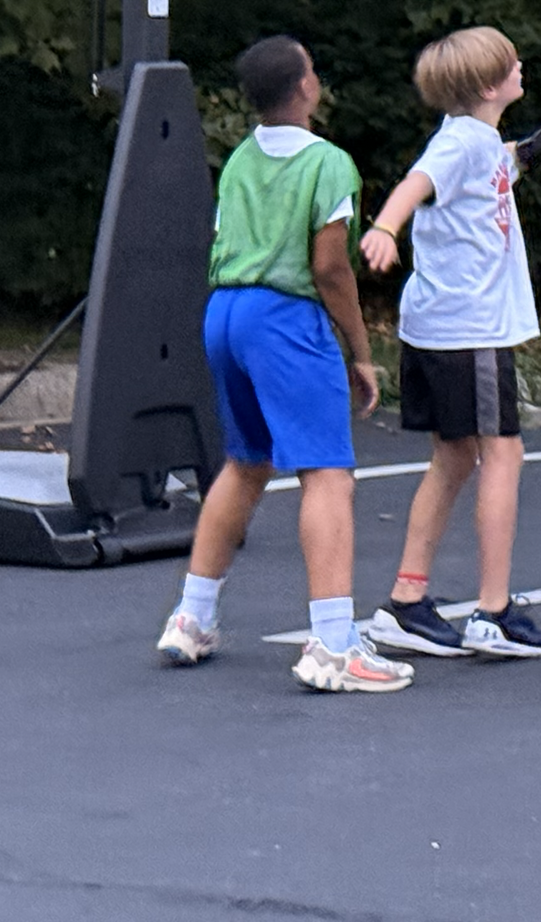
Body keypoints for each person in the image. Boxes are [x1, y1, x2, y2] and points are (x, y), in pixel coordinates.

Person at [154, 37, 410, 693]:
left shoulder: (239, 158)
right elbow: (329, 266)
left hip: (225, 313)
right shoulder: (329, 163)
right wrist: (360, 349)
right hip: (283, 319)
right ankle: (332, 644)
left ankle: (192, 616)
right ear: (303, 88)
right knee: (328, 471)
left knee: (245, 463)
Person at [353, 29, 541, 659]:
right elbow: (417, 183)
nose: (522, 65)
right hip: (470, 331)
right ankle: (492, 612)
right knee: (504, 456)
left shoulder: (479, 140)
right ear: (491, 87)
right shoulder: (461, 143)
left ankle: (407, 602)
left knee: (456, 457)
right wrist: (386, 226)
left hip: (439, 328)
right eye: (512, 63)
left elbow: (507, 165)